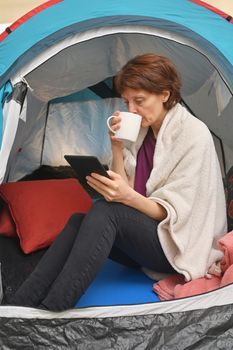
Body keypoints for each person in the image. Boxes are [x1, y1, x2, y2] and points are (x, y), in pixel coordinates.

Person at [8, 54, 227, 311]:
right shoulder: (141, 133)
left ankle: (54, 309)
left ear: (165, 95)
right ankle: (20, 305)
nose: (131, 110)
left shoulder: (193, 133)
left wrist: (126, 197)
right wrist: (116, 147)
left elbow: (172, 213)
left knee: (104, 211)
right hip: (150, 238)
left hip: (180, 246)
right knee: (79, 220)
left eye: (139, 101)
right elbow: (124, 189)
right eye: (126, 101)